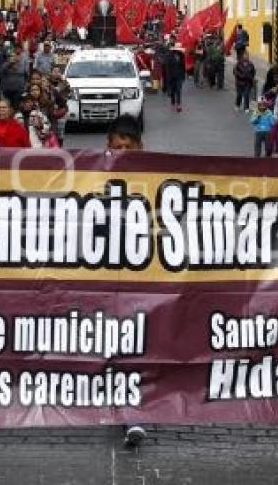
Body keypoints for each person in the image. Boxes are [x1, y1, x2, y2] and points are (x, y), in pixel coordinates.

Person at [104, 114, 147, 447]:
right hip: (106, 274)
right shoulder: (94, 176)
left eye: (127, 147)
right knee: (119, 342)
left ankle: (131, 409)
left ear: (139, 146)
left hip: (145, 276)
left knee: (137, 343)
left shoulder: (155, 176)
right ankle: (127, 410)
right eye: (115, 147)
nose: (121, 152)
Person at [163, 45, 186, 113]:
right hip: (171, 76)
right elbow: (167, 68)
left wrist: (183, 76)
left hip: (179, 76)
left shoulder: (181, 55)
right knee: (173, 90)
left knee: (178, 90)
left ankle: (178, 105)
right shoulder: (169, 56)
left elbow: (183, 66)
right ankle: (173, 103)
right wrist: (168, 77)